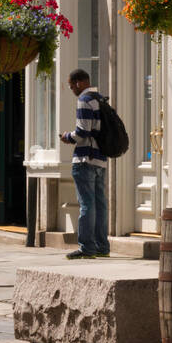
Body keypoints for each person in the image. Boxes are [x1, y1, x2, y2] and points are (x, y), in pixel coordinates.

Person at [61, 69, 109, 259]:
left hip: (84, 160)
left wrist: (67, 136)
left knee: (86, 204)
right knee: (100, 204)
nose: (72, 89)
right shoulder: (100, 99)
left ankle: (87, 247)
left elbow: (82, 132)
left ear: (79, 83)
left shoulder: (84, 99)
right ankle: (102, 246)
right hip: (100, 159)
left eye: (72, 85)